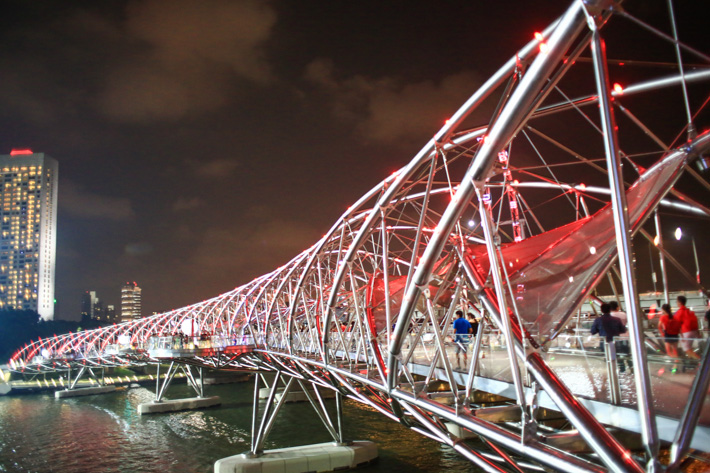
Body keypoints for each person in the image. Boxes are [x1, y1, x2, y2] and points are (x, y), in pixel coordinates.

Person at [591, 303, 627, 371]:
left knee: (607, 357)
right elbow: (623, 330)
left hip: (604, 343)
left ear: (601, 310)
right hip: (615, 342)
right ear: (610, 310)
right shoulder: (617, 319)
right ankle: (621, 370)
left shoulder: (598, 320)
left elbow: (593, 331)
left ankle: (611, 372)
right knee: (618, 356)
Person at [675, 295, 701, 360]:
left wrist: (681, 335)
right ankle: (690, 363)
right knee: (689, 348)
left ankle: (701, 362)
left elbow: (677, 324)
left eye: (677, 302)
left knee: (688, 350)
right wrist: (698, 333)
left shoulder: (680, 312)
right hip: (693, 331)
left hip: (686, 332)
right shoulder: (689, 311)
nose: (676, 303)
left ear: (679, 303)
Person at [609, 301, 629, 372]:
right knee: (626, 352)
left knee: (617, 353)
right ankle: (631, 366)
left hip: (615, 338)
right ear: (617, 307)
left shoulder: (609, 316)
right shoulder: (623, 314)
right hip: (625, 336)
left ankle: (622, 368)